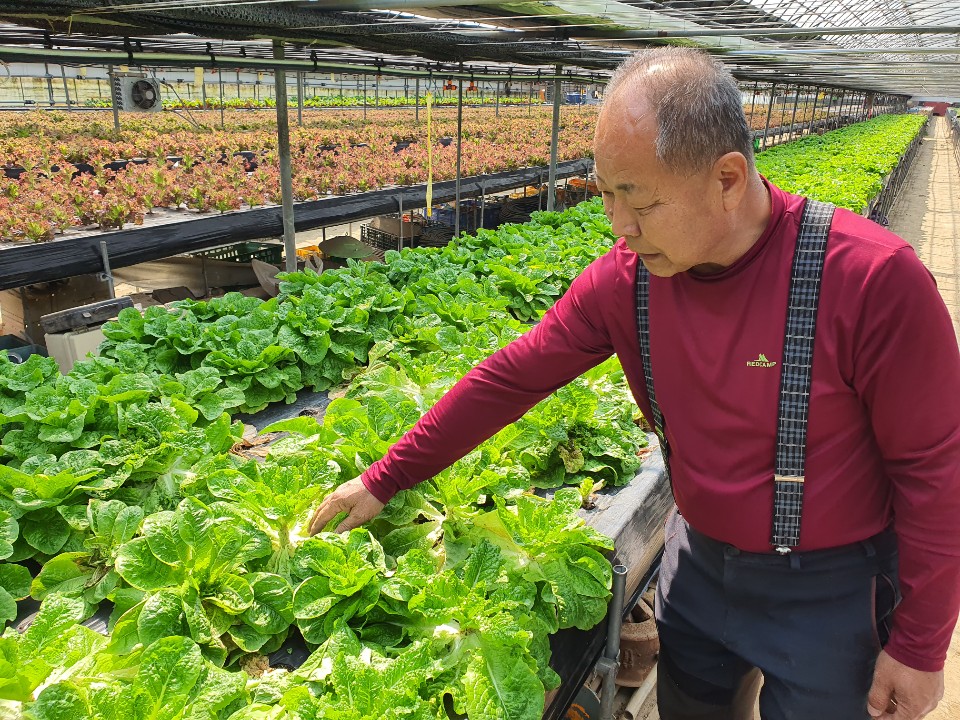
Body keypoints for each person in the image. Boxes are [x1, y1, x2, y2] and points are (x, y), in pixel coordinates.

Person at [308, 48, 960, 720]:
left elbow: (936, 474)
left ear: (728, 179)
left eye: (640, 199)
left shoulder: (871, 281)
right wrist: (385, 477)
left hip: (833, 592)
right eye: (608, 193)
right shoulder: (628, 280)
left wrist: (920, 643)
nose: (618, 224)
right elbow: (512, 376)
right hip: (700, 570)